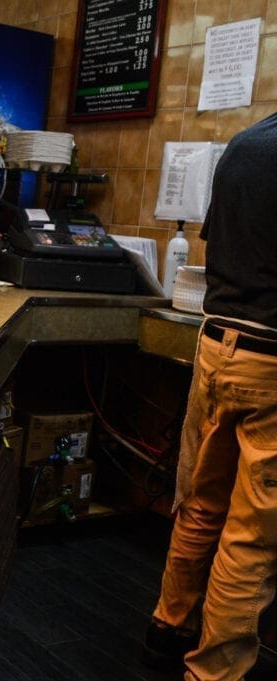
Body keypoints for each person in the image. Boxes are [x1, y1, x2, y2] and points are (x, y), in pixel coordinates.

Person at [144, 111, 277, 679]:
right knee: (251, 537)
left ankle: (166, 627)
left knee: (201, 501)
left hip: (217, 344)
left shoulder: (247, 144)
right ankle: (212, 673)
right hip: (272, 360)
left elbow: (220, 247)